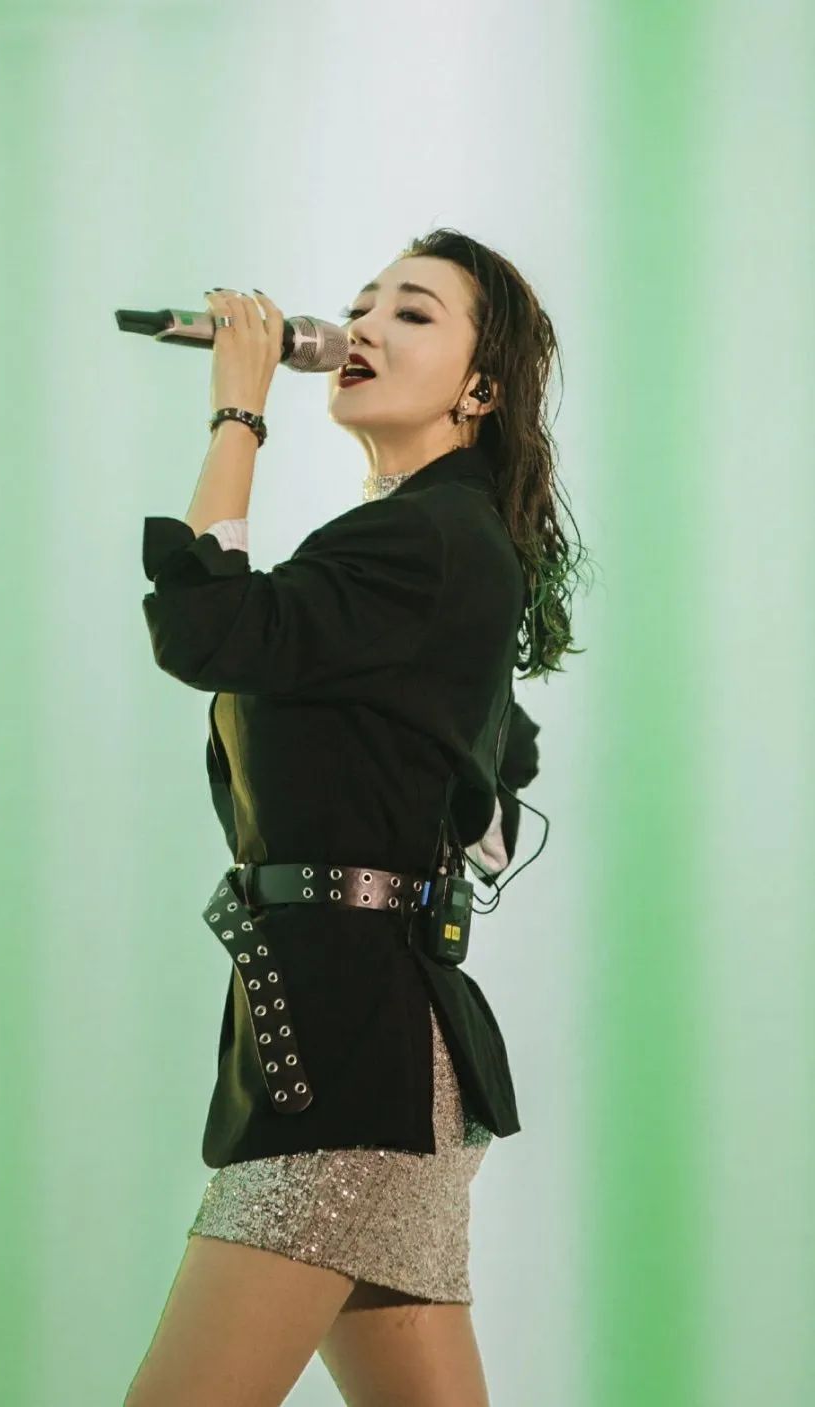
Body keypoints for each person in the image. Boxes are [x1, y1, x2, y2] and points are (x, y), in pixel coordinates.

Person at [123, 228, 590, 1407]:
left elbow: (210, 630)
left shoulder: (427, 539)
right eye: (365, 303)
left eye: (414, 312)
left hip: (350, 1061)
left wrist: (239, 413)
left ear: (481, 390)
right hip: (362, 1038)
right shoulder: (432, 545)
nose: (367, 325)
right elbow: (492, 753)